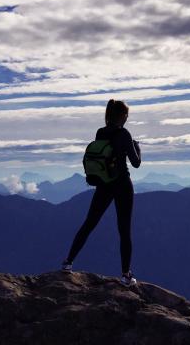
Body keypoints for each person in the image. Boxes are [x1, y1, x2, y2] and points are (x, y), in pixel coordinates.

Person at [61, 99, 141, 286]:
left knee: (89, 223)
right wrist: (137, 147)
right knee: (124, 230)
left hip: (104, 184)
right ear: (121, 116)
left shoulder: (100, 132)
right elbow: (136, 163)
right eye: (126, 115)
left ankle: (68, 262)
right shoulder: (124, 134)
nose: (127, 118)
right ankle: (126, 275)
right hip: (122, 184)